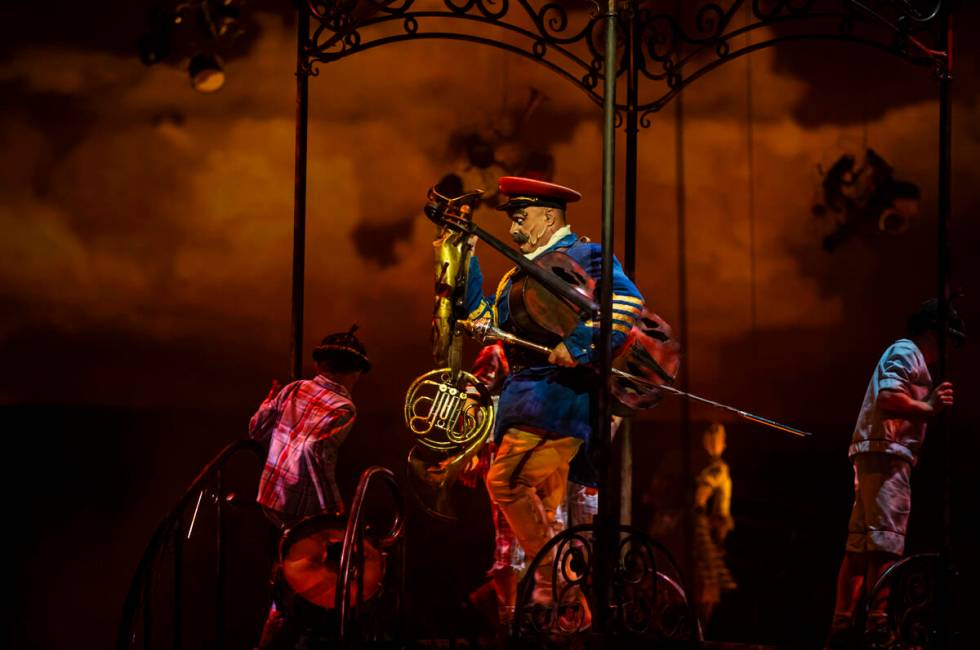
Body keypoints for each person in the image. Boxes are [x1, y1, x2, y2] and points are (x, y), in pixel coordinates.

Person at [464, 176, 644, 627]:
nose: (514, 229)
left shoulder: (586, 255)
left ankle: (555, 582)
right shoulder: (515, 272)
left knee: (505, 481)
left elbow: (627, 303)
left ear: (548, 217)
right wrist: (464, 258)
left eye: (521, 219)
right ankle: (570, 607)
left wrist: (581, 343)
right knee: (542, 505)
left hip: (557, 397)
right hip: (525, 397)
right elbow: (483, 317)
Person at [826, 299, 962, 648]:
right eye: (949, 339)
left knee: (861, 544)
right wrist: (928, 407)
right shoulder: (906, 351)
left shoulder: (906, 354)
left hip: (878, 453)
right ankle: (877, 625)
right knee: (886, 541)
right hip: (886, 455)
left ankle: (842, 626)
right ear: (936, 334)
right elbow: (888, 396)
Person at [248, 325, 371, 649]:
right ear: (355, 372)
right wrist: (333, 511)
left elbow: (256, 430)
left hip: (272, 500)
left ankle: (270, 634)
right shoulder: (344, 409)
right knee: (316, 587)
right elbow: (317, 454)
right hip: (305, 512)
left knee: (283, 577)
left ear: (319, 365)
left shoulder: (293, 389)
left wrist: (269, 401)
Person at [692, 422, 737, 628]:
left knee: (704, 587)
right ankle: (697, 635)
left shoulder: (709, 467)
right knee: (706, 589)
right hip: (699, 531)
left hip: (697, 529)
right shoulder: (717, 469)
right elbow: (701, 499)